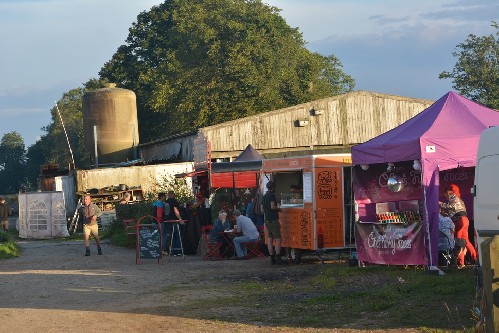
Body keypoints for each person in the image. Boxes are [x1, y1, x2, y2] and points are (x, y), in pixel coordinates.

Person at [439, 184, 477, 268]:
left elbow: (451, 208)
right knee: (465, 241)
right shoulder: (458, 199)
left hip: (460, 221)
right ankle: (475, 259)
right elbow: (451, 212)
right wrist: (443, 211)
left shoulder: (454, 197)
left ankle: (459, 263)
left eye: (445, 193)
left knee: (458, 242)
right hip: (464, 220)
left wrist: (441, 204)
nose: (444, 195)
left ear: (449, 191)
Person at [261, 180, 287, 265]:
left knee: (270, 239)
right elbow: (272, 207)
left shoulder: (264, 196)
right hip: (273, 219)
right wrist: (279, 209)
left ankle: (272, 258)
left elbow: (262, 209)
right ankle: (278, 257)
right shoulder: (272, 195)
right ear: (273, 187)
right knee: (278, 239)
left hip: (267, 220)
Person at [165, 190, 183, 256]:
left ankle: (172, 251)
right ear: (172, 194)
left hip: (168, 221)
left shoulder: (166, 202)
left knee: (171, 236)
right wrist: (180, 219)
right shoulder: (174, 201)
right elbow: (176, 211)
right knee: (177, 236)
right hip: (175, 221)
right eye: (174, 194)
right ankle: (178, 251)